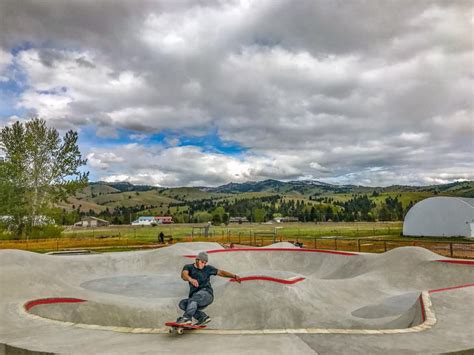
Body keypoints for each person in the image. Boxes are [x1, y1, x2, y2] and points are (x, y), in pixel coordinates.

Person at [176, 251, 241, 325]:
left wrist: (234, 276)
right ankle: (202, 317)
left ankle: (187, 318)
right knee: (183, 304)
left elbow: (221, 272)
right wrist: (190, 279)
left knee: (195, 298)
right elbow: (184, 275)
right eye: (202, 262)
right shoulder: (188, 267)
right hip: (195, 299)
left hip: (207, 294)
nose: (204, 264)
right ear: (197, 260)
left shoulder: (208, 268)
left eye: (205, 263)